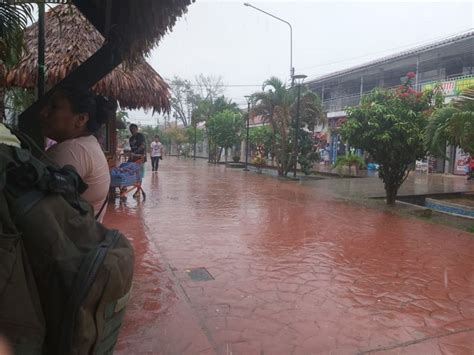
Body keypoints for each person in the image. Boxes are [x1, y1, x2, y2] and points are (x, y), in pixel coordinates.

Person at [40, 86, 116, 222]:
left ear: (81, 119)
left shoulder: (71, 150)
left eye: (54, 107)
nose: (44, 113)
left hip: (64, 242)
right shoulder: (88, 143)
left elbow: (37, 211)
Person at [128, 124, 146, 197]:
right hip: (133, 158)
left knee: (139, 175)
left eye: (134, 129)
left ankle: (138, 190)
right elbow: (132, 149)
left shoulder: (140, 136)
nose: (132, 130)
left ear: (137, 129)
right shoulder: (131, 139)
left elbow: (142, 146)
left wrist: (135, 153)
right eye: (131, 129)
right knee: (130, 172)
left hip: (140, 157)